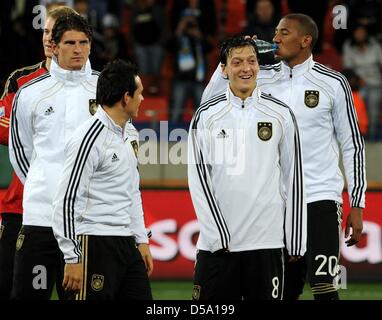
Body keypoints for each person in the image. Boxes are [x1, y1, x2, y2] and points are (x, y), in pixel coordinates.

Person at [202, 14, 366, 300]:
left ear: (305, 40)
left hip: (319, 197)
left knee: (325, 285)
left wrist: (358, 203)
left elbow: (352, 145)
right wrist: (231, 58)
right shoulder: (260, 78)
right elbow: (208, 106)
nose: (275, 38)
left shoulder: (333, 83)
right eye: (276, 32)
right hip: (276, 201)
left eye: (284, 33)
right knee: (282, 289)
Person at [188, 37, 306, 300]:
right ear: (224, 69)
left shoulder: (281, 113)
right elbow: (199, 180)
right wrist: (217, 235)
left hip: (267, 243)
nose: (246, 68)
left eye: (252, 61)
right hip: (217, 247)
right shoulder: (206, 115)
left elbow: (294, 177)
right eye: (237, 62)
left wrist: (296, 236)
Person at [8, 12, 98, 300]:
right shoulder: (30, 92)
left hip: (87, 222)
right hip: (40, 219)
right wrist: (43, 181)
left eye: (83, 42)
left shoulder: (106, 88)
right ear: (54, 46)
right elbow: (21, 153)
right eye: (70, 43)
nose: (78, 49)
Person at [52, 59, 153, 300]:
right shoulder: (89, 138)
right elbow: (66, 200)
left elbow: (132, 191)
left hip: (126, 243)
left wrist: (141, 239)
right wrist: (72, 257)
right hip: (93, 243)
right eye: (139, 93)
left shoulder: (129, 133)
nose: (143, 99)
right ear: (126, 97)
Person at [0, 6, 77, 300]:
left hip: (74, 213)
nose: (48, 38)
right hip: (21, 207)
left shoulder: (92, 86)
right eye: (45, 31)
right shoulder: (21, 80)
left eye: (55, 32)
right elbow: (3, 129)